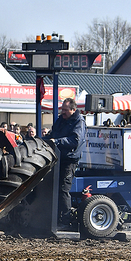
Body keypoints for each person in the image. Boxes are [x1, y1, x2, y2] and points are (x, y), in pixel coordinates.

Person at [46, 97, 86, 227]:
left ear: (73, 110)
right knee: (52, 187)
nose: (62, 112)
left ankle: (66, 220)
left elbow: (75, 140)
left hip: (69, 160)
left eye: (65, 110)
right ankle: (53, 217)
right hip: (57, 157)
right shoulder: (61, 120)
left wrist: (57, 142)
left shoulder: (79, 122)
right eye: (62, 109)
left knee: (63, 189)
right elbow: (53, 134)